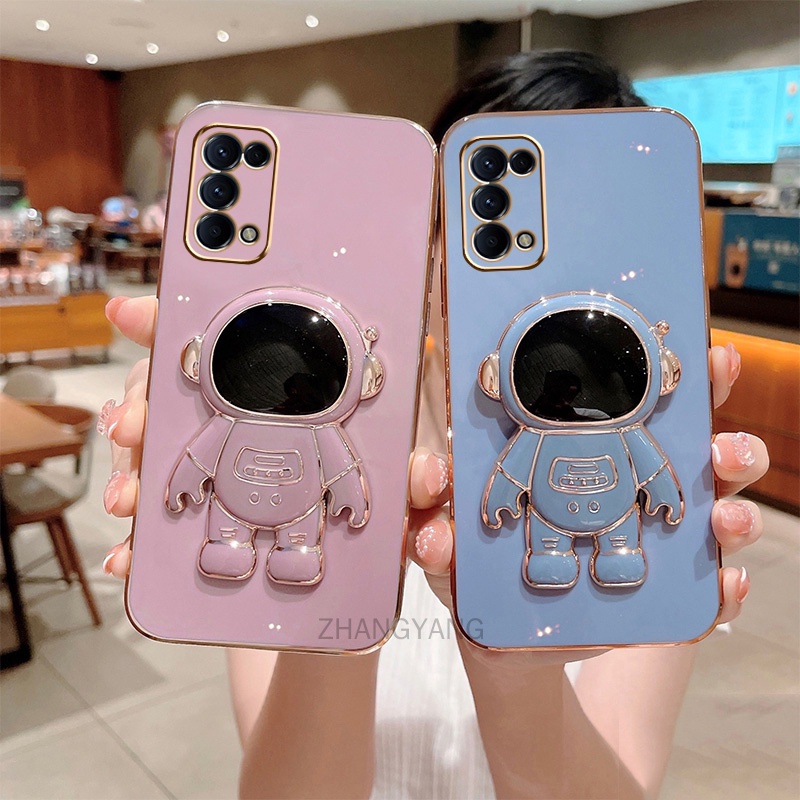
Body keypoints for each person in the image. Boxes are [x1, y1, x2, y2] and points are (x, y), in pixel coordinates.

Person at [99, 50, 769, 799]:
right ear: (427, 239)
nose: (558, 305)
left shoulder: (659, 444)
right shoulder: (340, 424)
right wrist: (337, 596)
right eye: (500, 249)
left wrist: (513, 671)